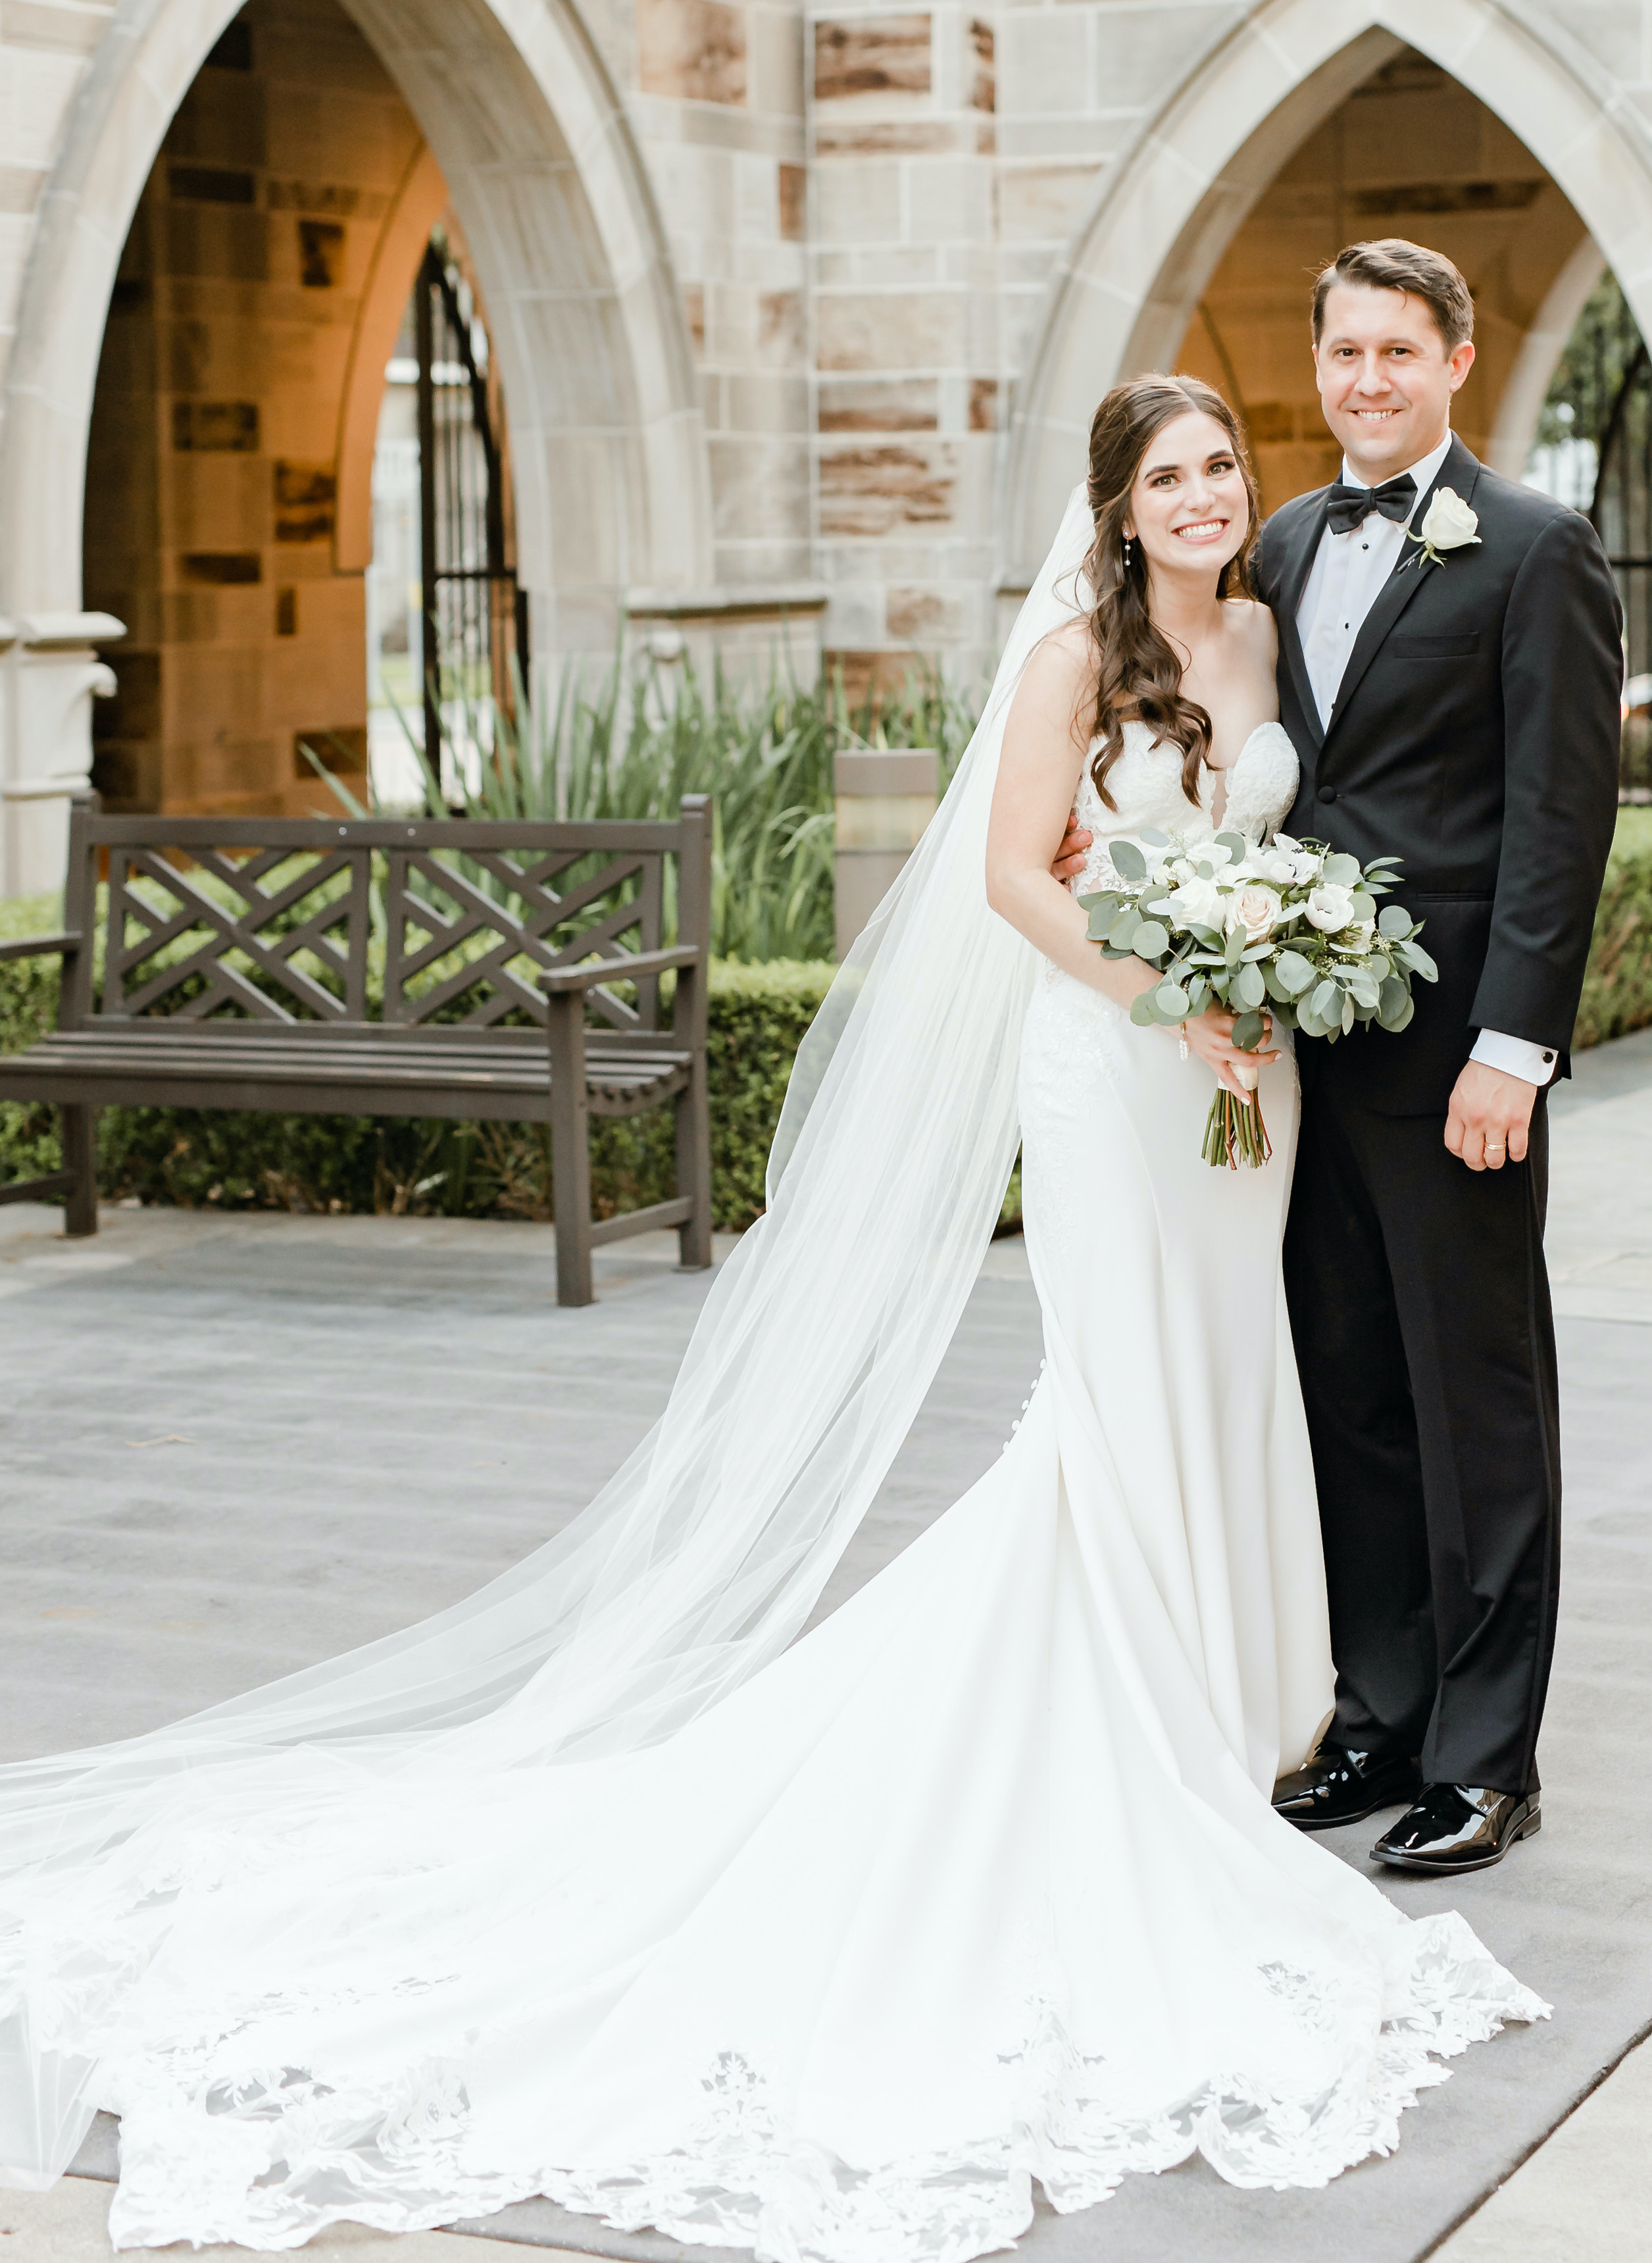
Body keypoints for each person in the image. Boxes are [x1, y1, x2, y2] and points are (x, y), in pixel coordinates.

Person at [0, 376, 1545, 2257]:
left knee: (1240, 1375)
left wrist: (1266, 970)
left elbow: (1309, 834)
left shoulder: (1271, 628)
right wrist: (1169, 991)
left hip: (1255, 1093)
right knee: (1120, 1391)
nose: (1210, 496)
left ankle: (1245, 1704)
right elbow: (1004, 878)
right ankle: (1141, 1723)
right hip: (1123, 1068)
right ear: (1118, 506)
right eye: (1172, 476)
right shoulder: (1076, 655)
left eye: (1225, 465)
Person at [1056, 242, 1622, 1877]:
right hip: (1294, 1061)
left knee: (1475, 1400)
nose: (1366, 380)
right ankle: (1374, 1709)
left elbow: (1555, 824)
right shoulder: (1283, 540)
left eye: (1396, 350)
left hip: (1455, 1062)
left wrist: (1510, 1047)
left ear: (1453, 356)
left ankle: (1484, 1753)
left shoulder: (1533, 548)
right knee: (1348, 1393)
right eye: (1342, 355)